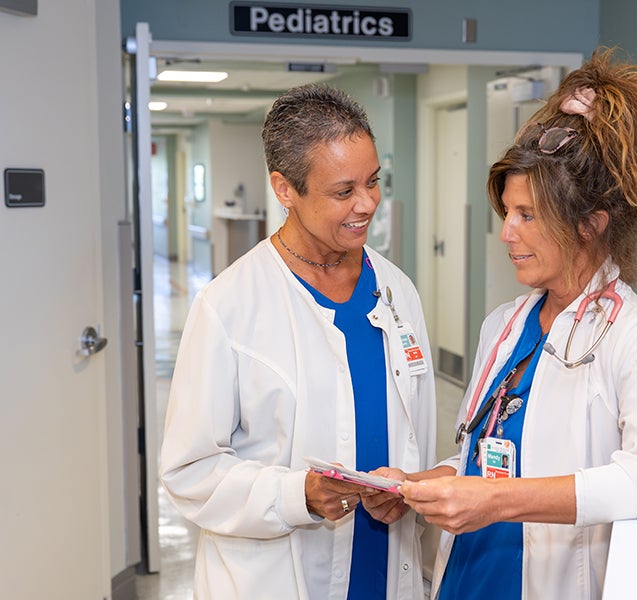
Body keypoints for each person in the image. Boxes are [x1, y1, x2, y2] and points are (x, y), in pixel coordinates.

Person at [399, 47, 637, 599]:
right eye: (507, 213)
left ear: (590, 224)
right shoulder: (504, 326)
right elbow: (496, 453)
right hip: (468, 576)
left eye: (528, 216)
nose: (506, 234)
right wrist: (425, 483)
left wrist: (497, 500)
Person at [159, 84, 436, 599]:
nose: (367, 204)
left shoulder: (397, 290)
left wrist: (411, 489)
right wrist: (297, 495)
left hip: (386, 566)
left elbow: (416, 430)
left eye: (374, 182)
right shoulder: (229, 304)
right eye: (343, 191)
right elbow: (189, 470)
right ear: (285, 189)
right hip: (277, 577)